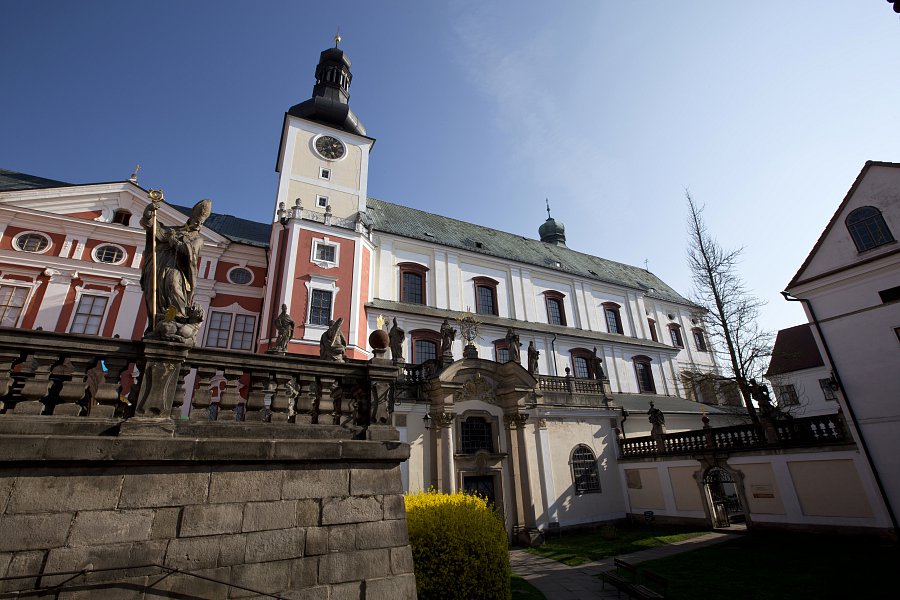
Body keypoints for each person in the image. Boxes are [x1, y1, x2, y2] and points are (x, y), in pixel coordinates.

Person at [140, 198, 210, 334]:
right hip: (158, 264)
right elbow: (153, 227)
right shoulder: (174, 230)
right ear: (191, 219)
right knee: (153, 290)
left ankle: (178, 319)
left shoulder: (198, 239)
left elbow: (189, 252)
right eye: (197, 221)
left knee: (174, 286)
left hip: (176, 267)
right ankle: (156, 322)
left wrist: (174, 241)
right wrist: (149, 214)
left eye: (201, 222)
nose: (198, 224)